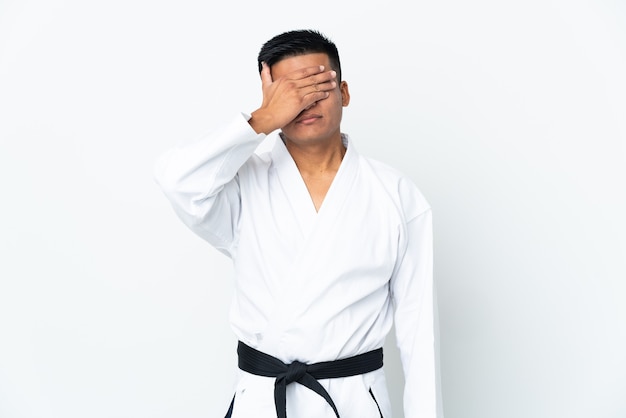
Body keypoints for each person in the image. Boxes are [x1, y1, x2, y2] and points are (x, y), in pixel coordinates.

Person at [154, 29, 441, 418]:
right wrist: (261, 120)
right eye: (291, 92)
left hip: (355, 403)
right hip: (263, 401)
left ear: (345, 93)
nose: (306, 101)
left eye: (318, 86)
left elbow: (420, 336)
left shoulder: (396, 196)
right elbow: (176, 181)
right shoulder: (239, 186)